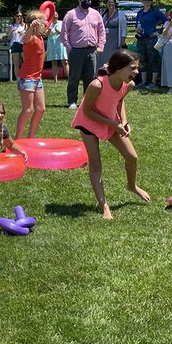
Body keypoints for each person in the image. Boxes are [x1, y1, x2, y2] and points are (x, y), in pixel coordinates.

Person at [71, 48, 150, 220]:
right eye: (133, 68)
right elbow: (87, 111)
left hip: (110, 121)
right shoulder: (97, 85)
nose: (137, 72)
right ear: (119, 68)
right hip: (89, 123)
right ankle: (104, 206)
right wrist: (114, 123)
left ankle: (132, 185)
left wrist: (124, 121)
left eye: (137, 68)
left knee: (132, 157)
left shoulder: (128, 84)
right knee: (96, 165)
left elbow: (119, 101)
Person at [60, 0, 106, 110]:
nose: (88, 2)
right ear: (79, 0)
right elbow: (64, 32)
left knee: (90, 78)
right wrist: (69, 48)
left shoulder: (96, 14)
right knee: (74, 77)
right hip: (76, 51)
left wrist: (100, 46)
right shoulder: (71, 14)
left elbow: (101, 31)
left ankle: (87, 101)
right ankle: (72, 101)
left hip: (92, 51)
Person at [15, 9, 47, 139]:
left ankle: (31, 137)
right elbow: (25, 38)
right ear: (36, 24)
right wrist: (30, 28)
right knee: (28, 109)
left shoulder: (40, 37)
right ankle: (17, 139)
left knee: (40, 109)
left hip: (37, 78)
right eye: (43, 22)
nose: (45, 25)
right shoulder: (30, 37)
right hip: (27, 78)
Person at [134, 0, 166, 89]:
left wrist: (158, 32)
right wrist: (137, 29)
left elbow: (166, 22)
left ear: (151, 2)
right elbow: (137, 24)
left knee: (153, 59)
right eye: (145, 0)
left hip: (151, 39)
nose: (146, 2)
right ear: (142, 1)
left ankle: (153, 81)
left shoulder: (155, 12)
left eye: (148, 0)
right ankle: (143, 81)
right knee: (142, 60)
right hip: (140, 39)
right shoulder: (139, 12)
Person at [100, 0, 128, 66]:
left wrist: (122, 40)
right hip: (105, 41)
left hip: (115, 40)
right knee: (104, 57)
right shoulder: (104, 14)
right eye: (109, 2)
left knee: (114, 56)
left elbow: (124, 28)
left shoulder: (120, 14)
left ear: (115, 4)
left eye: (112, 2)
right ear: (106, 4)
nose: (110, 4)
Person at [45, 16, 68, 81]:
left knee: (65, 62)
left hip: (60, 44)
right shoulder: (48, 23)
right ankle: (55, 79)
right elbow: (46, 35)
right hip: (52, 44)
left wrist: (58, 31)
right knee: (54, 62)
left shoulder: (61, 22)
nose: (55, 16)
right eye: (53, 15)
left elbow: (65, 32)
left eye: (56, 15)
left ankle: (70, 78)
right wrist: (49, 30)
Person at [7, 10, 26, 79]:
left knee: (26, 62)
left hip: (23, 44)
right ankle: (18, 78)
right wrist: (12, 31)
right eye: (18, 16)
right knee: (16, 63)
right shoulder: (11, 25)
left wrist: (23, 33)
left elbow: (28, 34)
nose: (19, 17)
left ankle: (26, 77)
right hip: (15, 44)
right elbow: (9, 37)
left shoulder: (24, 25)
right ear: (15, 17)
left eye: (21, 16)